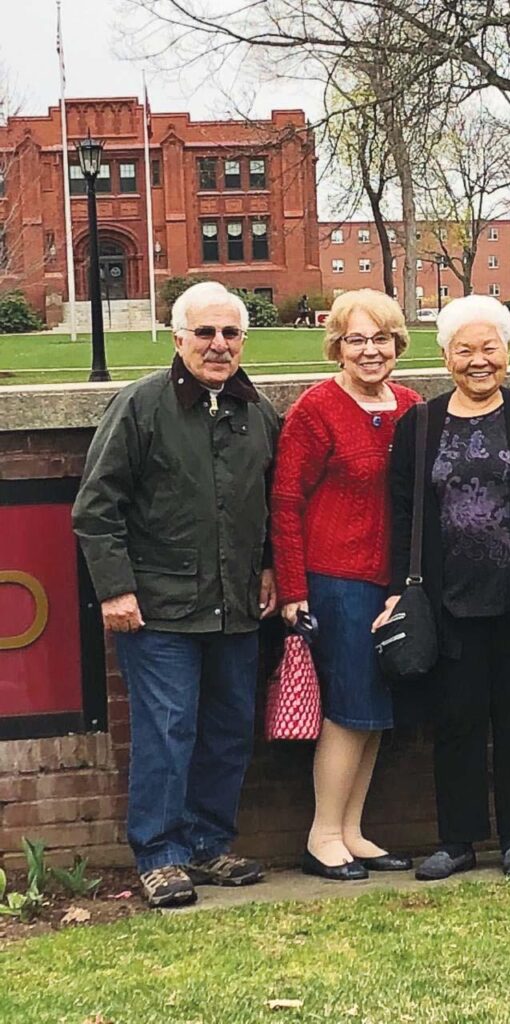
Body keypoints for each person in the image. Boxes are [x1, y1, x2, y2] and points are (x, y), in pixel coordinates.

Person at [72, 281, 280, 908]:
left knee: (227, 729)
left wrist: (269, 567)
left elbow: (271, 504)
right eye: (205, 333)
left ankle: (210, 843)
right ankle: (160, 853)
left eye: (230, 333)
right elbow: (96, 506)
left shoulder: (258, 413)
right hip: (159, 608)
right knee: (167, 728)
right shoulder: (140, 406)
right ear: (179, 337)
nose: (219, 345)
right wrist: (115, 589)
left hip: (238, 604)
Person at [374, 295, 510, 880]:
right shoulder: (419, 426)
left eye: (489, 348)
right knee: (456, 722)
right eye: (464, 350)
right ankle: (458, 839)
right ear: (445, 357)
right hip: (448, 601)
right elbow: (403, 514)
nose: (478, 360)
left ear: (507, 353)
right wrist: (398, 590)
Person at [271, 288, 421, 881]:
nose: (369, 350)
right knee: (348, 708)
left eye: (380, 338)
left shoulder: (411, 404)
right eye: (356, 339)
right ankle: (322, 835)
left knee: (375, 708)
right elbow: (284, 502)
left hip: (391, 582)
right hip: (335, 581)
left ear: (397, 344)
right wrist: (292, 589)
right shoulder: (316, 409)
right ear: (337, 346)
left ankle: (353, 830)